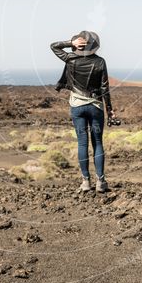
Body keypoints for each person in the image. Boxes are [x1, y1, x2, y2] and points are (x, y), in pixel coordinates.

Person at [50, 30, 115, 193]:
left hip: (77, 107)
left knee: (82, 143)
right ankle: (101, 182)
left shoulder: (70, 59)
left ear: (79, 45)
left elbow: (53, 47)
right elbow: (104, 88)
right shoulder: (100, 62)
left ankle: (86, 182)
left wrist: (69, 43)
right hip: (96, 108)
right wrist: (110, 110)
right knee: (98, 143)